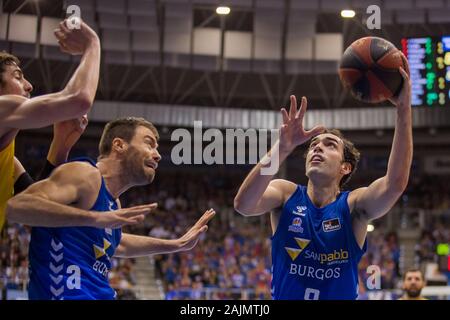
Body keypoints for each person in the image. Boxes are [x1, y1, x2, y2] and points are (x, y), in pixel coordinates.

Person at [234, 65, 412, 300]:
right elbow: (243, 205)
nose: (317, 147)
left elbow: (395, 184)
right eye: (314, 144)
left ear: (344, 167)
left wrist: (402, 109)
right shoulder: (285, 194)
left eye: (330, 144)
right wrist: (282, 148)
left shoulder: (353, 206)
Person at [6, 117, 215, 300]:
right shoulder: (85, 175)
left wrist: (175, 244)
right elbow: (17, 207)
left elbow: (118, 243)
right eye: (149, 144)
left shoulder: (113, 203)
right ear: (119, 145)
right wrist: (94, 218)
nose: (157, 154)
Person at [0, 18, 101, 231]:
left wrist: (60, 144)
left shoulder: (9, 158)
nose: (29, 86)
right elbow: (79, 99)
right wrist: (92, 44)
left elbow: (37, 213)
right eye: (18, 77)